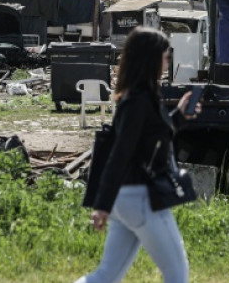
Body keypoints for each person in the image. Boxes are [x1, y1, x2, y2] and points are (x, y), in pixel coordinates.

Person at [75, 27, 200, 283]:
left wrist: (178, 115)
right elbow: (121, 153)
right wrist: (102, 205)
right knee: (177, 274)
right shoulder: (139, 102)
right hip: (142, 197)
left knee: (107, 275)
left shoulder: (138, 98)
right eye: (165, 56)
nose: (167, 62)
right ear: (151, 59)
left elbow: (150, 141)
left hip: (126, 201)